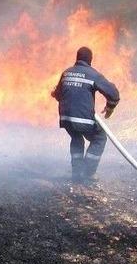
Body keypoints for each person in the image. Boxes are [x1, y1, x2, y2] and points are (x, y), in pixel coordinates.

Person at [51, 47, 120, 183]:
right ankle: (88, 172)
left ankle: (76, 172)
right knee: (99, 137)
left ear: (77, 58)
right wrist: (110, 108)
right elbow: (113, 93)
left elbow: (57, 94)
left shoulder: (66, 73)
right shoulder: (93, 74)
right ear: (90, 60)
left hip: (66, 118)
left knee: (76, 138)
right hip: (83, 119)